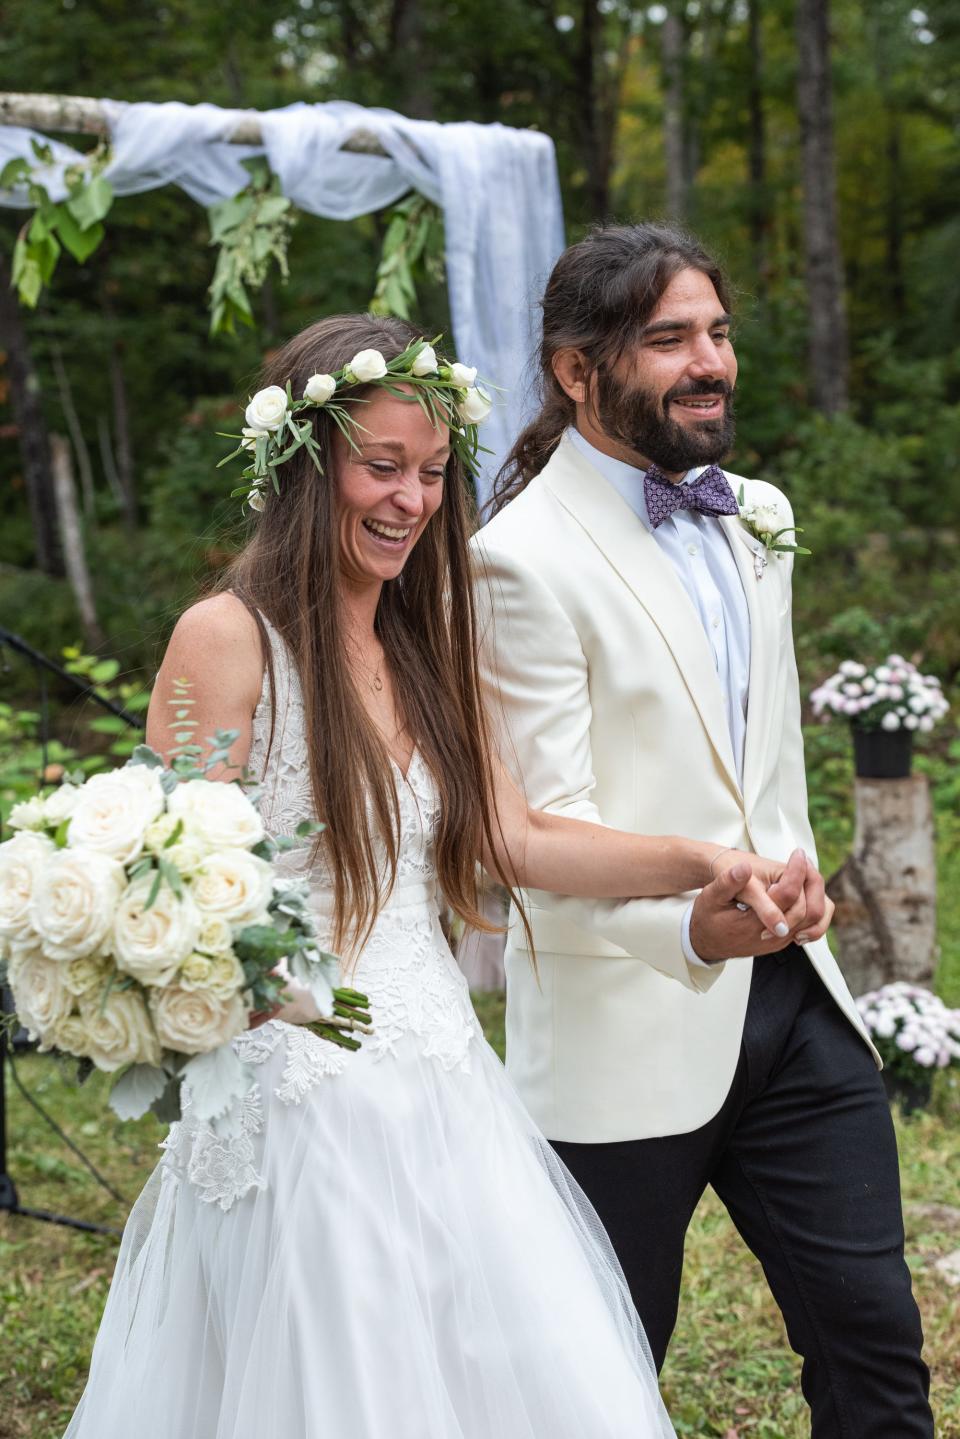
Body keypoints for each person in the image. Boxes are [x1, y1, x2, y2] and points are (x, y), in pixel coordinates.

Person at [63, 313, 815, 1439]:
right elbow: (166, 878)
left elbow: (516, 834)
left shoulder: (430, 641)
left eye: (429, 473)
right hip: (296, 1094)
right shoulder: (226, 637)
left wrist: (708, 857)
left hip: (444, 1079)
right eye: (380, 466)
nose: (411, 500)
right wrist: (231, 989)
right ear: (306, 465)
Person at [472, 222, 934, 1438]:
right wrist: (688, 920)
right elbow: (538, 833)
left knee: (876, 1342)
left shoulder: (758, 517)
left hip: (797, 999)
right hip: (620, 1021)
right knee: (600, 1375)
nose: (709, 361)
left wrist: (798, 883)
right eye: (669, 338)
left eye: (717, 332)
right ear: (578, 370)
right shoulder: (513, 562)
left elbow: (753, 769)